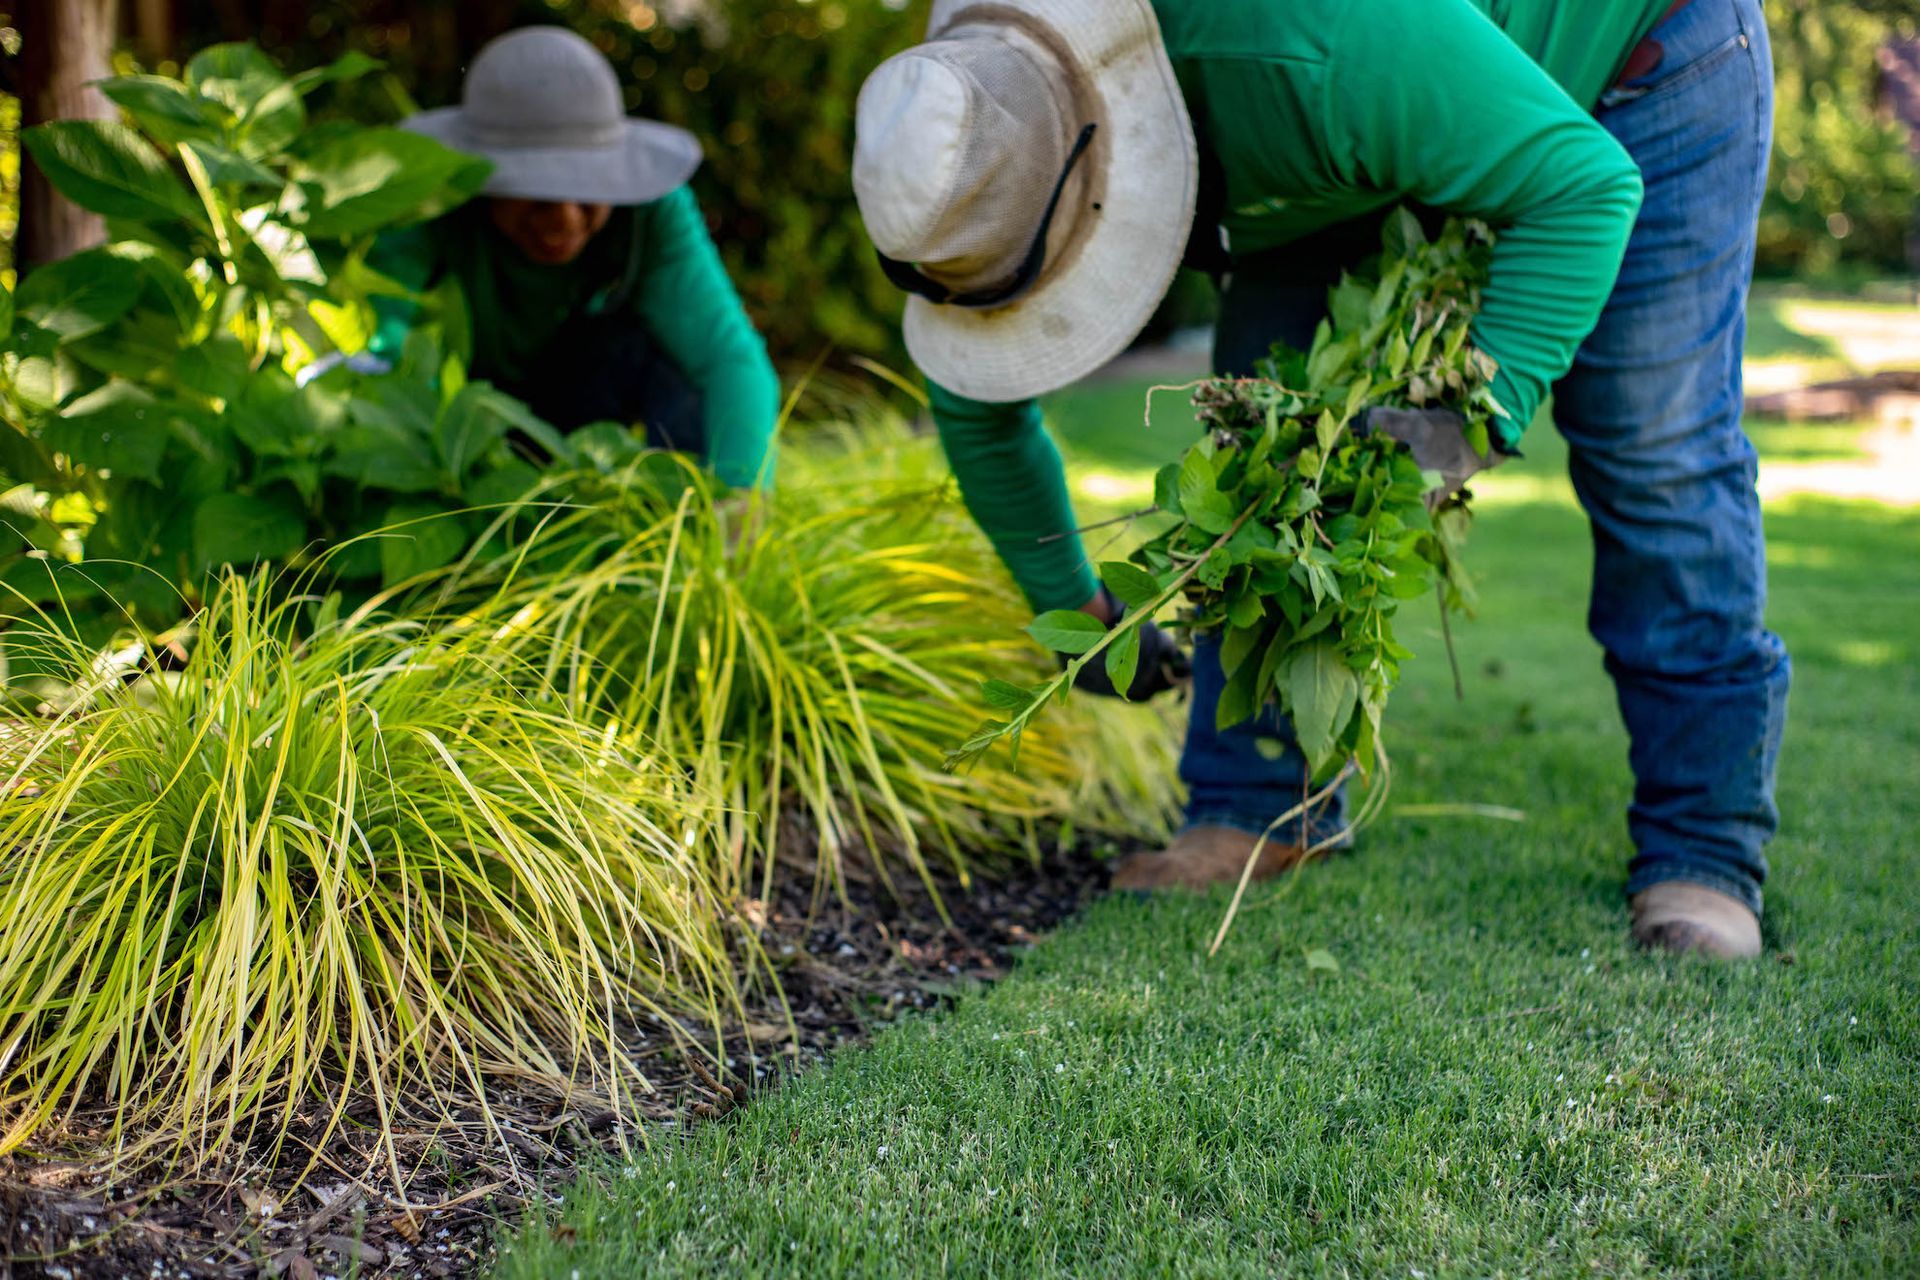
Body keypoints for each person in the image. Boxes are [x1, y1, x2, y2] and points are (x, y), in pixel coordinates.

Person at [851, 0, 1785, 958]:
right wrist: (1076, 610)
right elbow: (977, 407)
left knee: (1651, 449)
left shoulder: (1318, 45)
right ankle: (1259, 806)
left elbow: (1584, 187)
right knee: (1269, 441)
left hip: (1645, 58)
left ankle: (1701, 849)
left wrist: (1466, 429)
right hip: (1344, 121)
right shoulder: (974, 121)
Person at [369, 26, 780, 490]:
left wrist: (741, 496)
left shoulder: (651, 211)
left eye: (588, 192)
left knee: (671, 360)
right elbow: (385, 352)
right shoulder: (430, 203)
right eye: (536, 194)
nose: (564, 220)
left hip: (583, 418)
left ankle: (679, 521)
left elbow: (727, 358)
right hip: (460, 428)